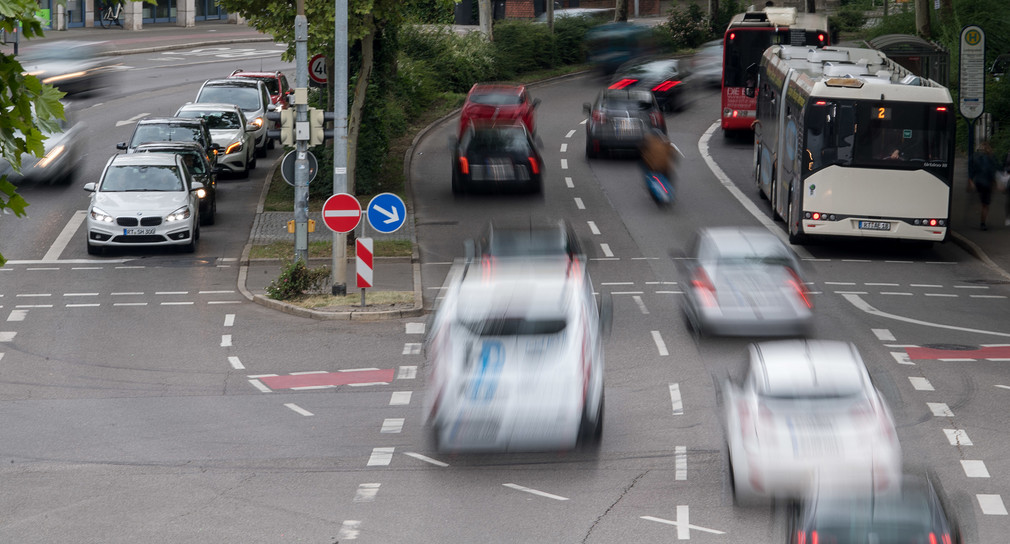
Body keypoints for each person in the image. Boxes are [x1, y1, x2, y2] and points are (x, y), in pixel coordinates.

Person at [969, 140, 998, 230]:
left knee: (979, 199)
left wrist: (971, 181)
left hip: (978, 181)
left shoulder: (976, 157)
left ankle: (977, 211)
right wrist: (995, 183)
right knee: (985, 204)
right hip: (987, 183)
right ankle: (983, 223)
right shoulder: (991, 158)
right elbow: (992, 171)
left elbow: (972, 169)